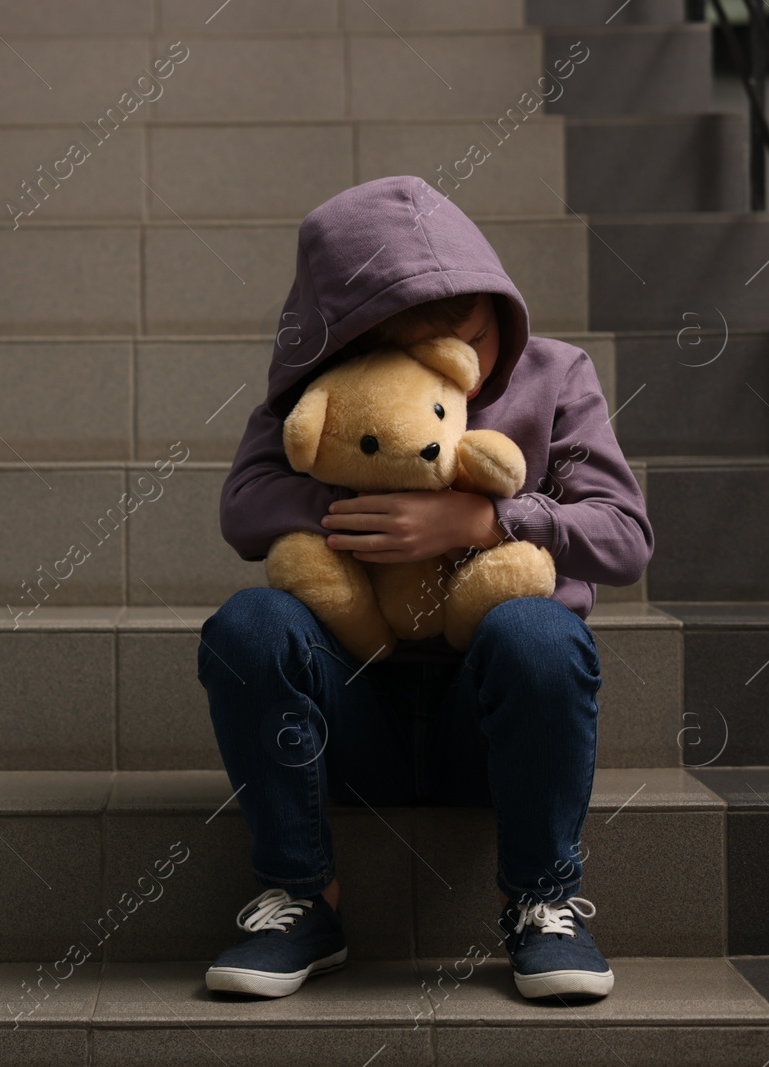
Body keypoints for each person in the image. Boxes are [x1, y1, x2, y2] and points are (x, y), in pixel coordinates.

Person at [197, 176, 653, 1002]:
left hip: (491, 718)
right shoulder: (321, 382)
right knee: (250, 622)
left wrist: (485, 521)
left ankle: (541, 898)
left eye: (476, 335)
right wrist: (365, 498)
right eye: (412, 347)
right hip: (350, 712)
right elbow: (243, 508)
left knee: (541, 630)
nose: (462, 371)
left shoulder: (557, 374)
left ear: (498, 307)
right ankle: (303, 897)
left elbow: (625, 537)